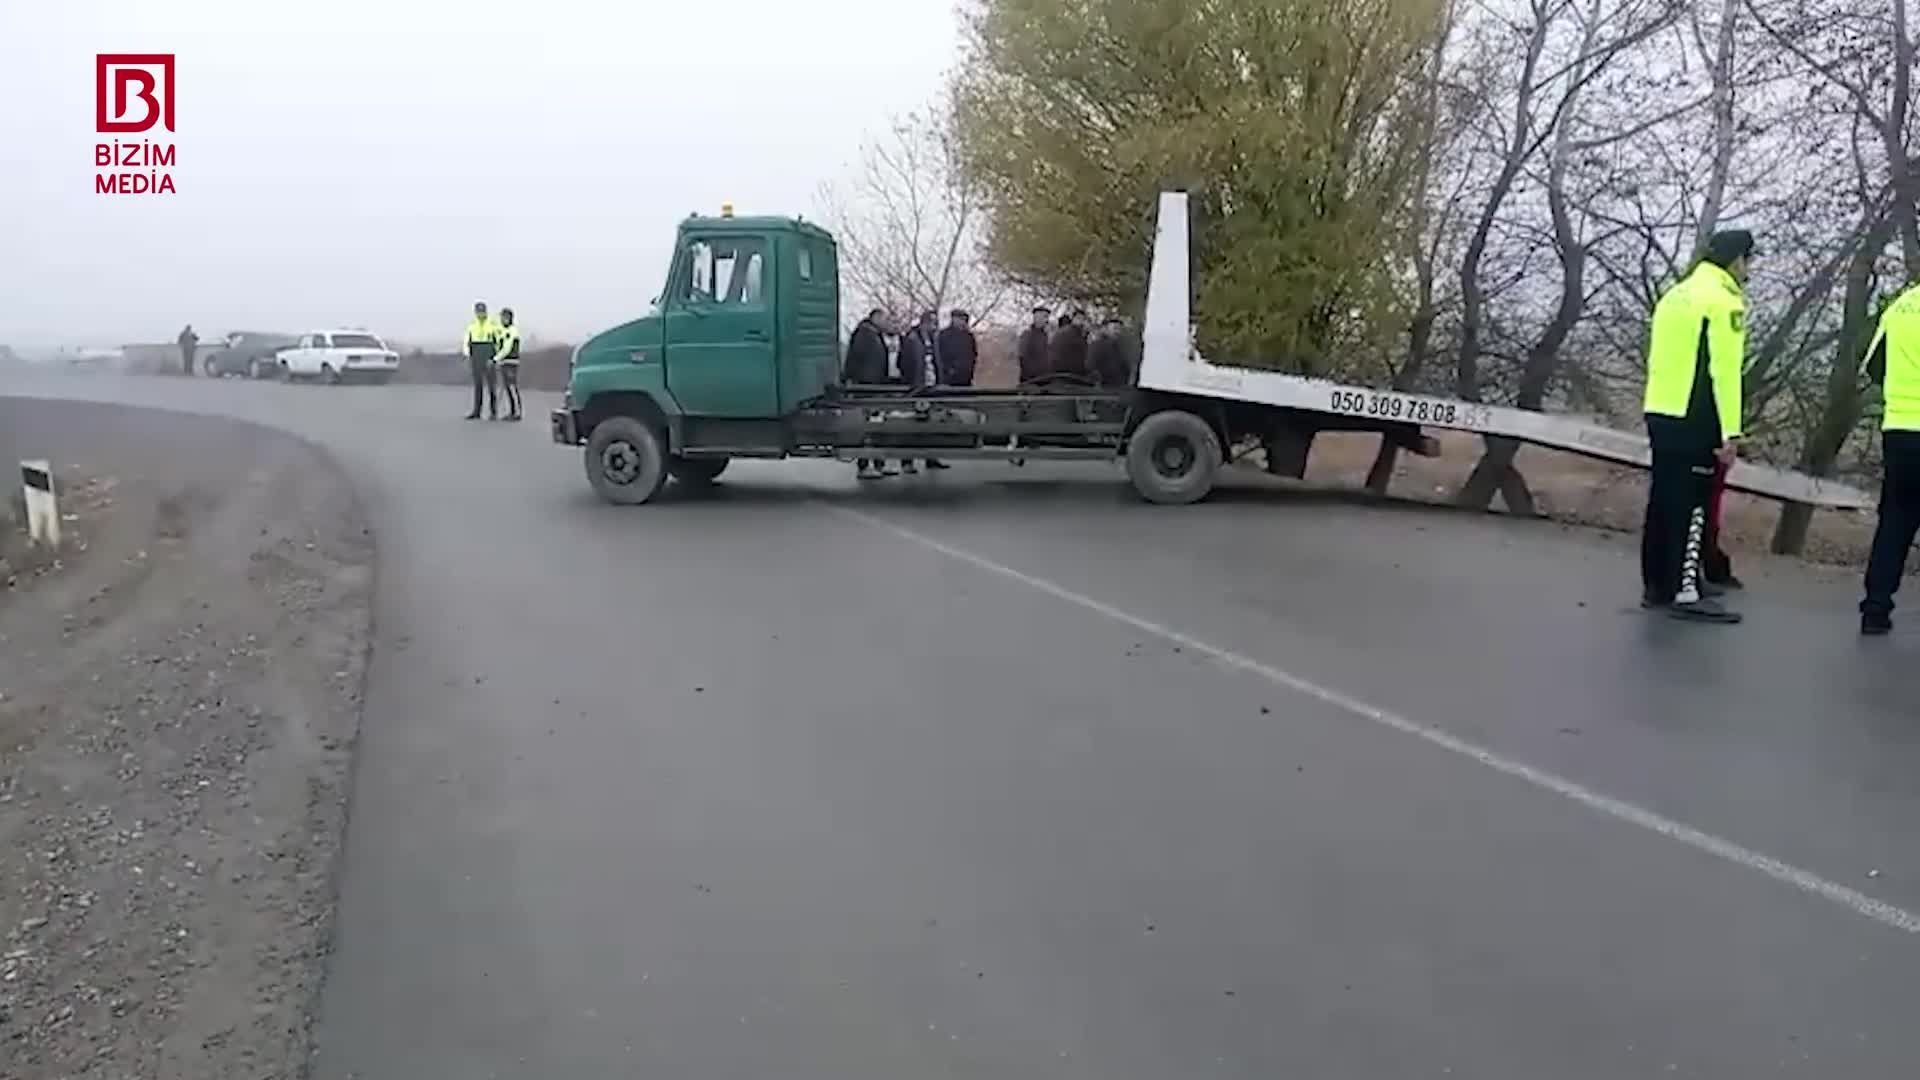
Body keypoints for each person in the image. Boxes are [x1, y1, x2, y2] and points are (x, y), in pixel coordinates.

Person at [1639, 230, 1753, 624]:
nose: (1748, 271)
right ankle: (1685, 590)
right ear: (1736, 260)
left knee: (1663, 499)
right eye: (1748, 261)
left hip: (1661, 408)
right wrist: (1731, 431)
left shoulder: (1675, 295)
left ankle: (1659, 584)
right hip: (1697, 413)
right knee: (1693, 504)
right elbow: (1725, 370)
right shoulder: (1723, 300)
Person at [1859, 283, 1920, 634]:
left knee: (1895, 521)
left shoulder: (1901, 306)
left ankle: (1875, 608)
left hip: (1899, 429)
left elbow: (1873, 365)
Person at [892, 312, 940, 474]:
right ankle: (907, 461)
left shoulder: (933, 339)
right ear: (924, 323)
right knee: (911, 423)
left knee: (932, 422)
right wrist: (910, 380)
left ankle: (931, 457)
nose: (934, 327)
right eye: (932, 323)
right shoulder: (912, 339)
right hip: (916, 386)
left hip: (931, 385)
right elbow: (903, 361)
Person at [846, 309, 891, 478]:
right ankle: (864, 465)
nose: (886, 322)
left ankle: (879, 464)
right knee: (866, 427)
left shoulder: (875, 334)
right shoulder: (864, 334)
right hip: (866, 386)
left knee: (878, 426)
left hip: (875, 385)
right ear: (875, 318)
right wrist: (853, 380)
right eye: (884, 318)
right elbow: (854, 358)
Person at [462, 301, 502, 420]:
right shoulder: (472, 326)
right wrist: (468, 355)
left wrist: (495, 358)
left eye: (482, 312)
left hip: (488, 353)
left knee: (491, 385)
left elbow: (498, 342)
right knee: (478, 385)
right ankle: (476, 411)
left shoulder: (493, 324)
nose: (480, 314)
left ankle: (493, 411)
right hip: (476, 354)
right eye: (478, 312)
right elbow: (466, 341)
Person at [937, 309, 978, 388]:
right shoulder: (944, 335)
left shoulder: (969, 336)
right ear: (954, 319)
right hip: (949, 378)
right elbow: (940, 354)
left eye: (964, 320)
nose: (962, 322)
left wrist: (970, 370)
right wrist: (948, 370)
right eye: (960, 319)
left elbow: (973, 354)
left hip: (966, 377)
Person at [496, 307, 523, 421]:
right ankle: (512, 411)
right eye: (502, 317)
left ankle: (517, 412)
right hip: (504, 361)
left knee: (512, 387)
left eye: (505, 317)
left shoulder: (512, 331)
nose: (503, 319)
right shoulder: (503, 331)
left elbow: (507, 348)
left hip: (511, 361)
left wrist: (496, 359)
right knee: (507, 387)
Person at [1090, 317, 1133, 388]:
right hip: (1104, 387)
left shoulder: (1118, 346)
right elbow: (1091, 366)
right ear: (1106, 329)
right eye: (1115, 328)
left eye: (1119, 329)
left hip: (1118, 387)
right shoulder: (1097, 345)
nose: (1118, 332)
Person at [1049, 309, 1090, 379]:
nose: (1082, 322)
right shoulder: (1075, 333)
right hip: (1070, 372)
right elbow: (1083, 353)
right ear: (1073, 319)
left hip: (1055, 370)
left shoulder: (1061, 331)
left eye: (1083, 320)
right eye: (1080, 319)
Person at [1017, 306, 1051, 384]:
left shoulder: (1048, 335)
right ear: (1035, 318)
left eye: (1047, 317)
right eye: (1044, 316)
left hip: (1047, 379)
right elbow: (1022, 357)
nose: (1046, 320)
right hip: (1031, 380)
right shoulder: (1027, 335)